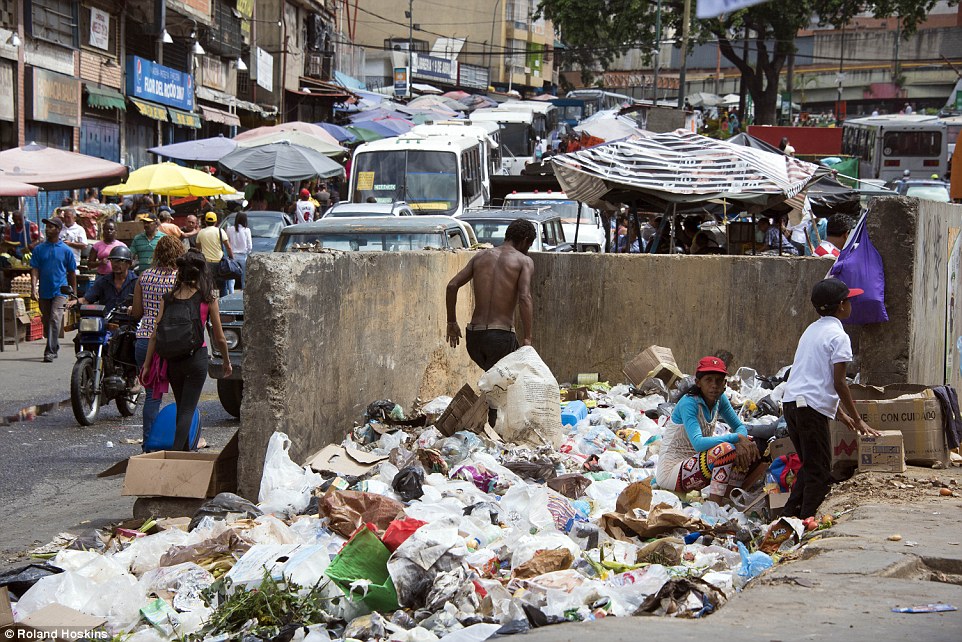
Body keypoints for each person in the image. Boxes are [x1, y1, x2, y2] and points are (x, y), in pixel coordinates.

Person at [781, 278, 880, 519]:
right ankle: (806, 525)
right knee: (820, 473)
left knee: (810, 465)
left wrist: (841, 414)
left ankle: (787, 518)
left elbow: (812, 379)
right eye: (849, 300)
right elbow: (838, 382)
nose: (851, 304)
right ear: (842, 305)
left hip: (792, 404)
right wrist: (858, 419)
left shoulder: (811, 330)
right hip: (809, 410)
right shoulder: (839, 337)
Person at [140, 250, 232, 451]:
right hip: (196, 358)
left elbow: (155, 335)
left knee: (182, 406)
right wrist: (226, 361)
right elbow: (220, 337)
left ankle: (182, 450)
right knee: (187, 409)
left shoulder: (168, 298)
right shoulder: (207, 298)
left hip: (173, 360)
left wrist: (147, 365)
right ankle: (176, 453)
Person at [655, 356, 762, 505]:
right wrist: (736, 438)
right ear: (698, 383)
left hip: (693, 467)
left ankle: (729, 499)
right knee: (727, 449)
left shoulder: (720, 399)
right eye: (709, 380)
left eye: (719, 380)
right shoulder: (689, 403)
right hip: (671, 473)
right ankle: (715, 507)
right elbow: (698, 443)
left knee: (748, 443)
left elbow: (740, 427)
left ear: (725, 384)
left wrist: (741, 440)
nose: (714, 385)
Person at [445, 218, 535, 368]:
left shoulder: (480, 256)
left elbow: (452, 286)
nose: (527, 250)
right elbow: (525, 297)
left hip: (474, 338)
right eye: (529, 246)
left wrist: (452, 322)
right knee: (507, 383)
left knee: (494, 381)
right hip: (500, 337)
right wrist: (527, 339)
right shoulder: (524, 261)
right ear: (525, 241)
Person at [131, 235, 184, 448]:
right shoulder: (180, 279)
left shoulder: (144, 277)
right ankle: (181, 443)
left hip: (144, 340)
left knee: (152, 397)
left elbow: (137, 312)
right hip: (173, 341)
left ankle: (148, 445)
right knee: (182, 396)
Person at [30, 218, 76, 362]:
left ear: (58, 229)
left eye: (51, 227)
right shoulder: (39, 249)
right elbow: (35, 269)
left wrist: (73, 294)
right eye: (47, 227)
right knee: (47, 320)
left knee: (55, 318)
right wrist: (33, 287)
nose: (47, 229)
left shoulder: (66, 250)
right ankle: (54, 346)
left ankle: (49, 351)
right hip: (44, 291)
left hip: (60, 291)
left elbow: (72, 273)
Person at [72, 245, 137, 314]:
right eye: (113, 261)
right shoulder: (104, 281)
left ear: (128, 264)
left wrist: (134, 308)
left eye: (120, 261)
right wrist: (76, 302)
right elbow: (87, 299)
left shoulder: (136, 282)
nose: (115, 264)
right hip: (107, 321)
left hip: (129, 321)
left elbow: (144, 303)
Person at [196, 211, 233, 297]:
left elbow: (198, 249)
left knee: (208, 286)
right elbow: (228, 247)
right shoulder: (220, 231)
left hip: (206, 264)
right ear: (216, 221)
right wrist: (231, 257)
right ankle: (221, 304)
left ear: (205, 221)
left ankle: (210, 303)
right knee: (222, 286)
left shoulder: (201, 232)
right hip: (219, 263)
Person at [224, 211, 252, 290]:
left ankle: (231, 292)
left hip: (232, 255)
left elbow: (227, 243)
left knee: (231, 277)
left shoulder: (230, 230)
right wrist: (247, 252)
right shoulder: (247, 230)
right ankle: (243, 292)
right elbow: (250, 246)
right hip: (243, 256)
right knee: (244, 277)